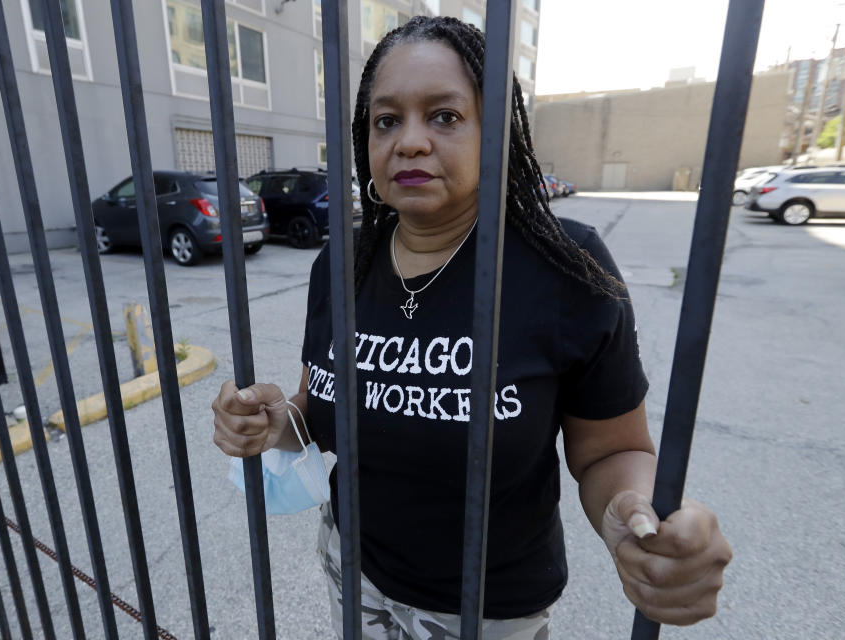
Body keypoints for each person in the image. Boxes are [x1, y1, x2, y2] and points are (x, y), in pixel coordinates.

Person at [212, 16, 731, 640]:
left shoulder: (565, 265)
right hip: (351, 571)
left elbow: (612, 449)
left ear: (495, 133)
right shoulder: (341, 265)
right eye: (386, 120)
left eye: (445, 116)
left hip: (485, 610)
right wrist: (275, 422)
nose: (409, 141)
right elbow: (319, 404)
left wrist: (633, 512)